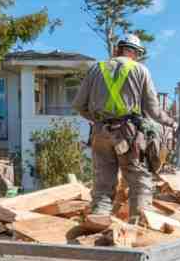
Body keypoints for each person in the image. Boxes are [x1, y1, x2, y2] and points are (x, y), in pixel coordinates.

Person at [72, 33, 174, 219]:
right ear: (136, 53)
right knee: (139, 181)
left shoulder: (96, 68)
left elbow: (79, 105)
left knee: (103, 184)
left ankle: (98, 222)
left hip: (101, 134)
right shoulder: (140, 70)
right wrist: (171, 123)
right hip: (128, 134)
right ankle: (139, 224)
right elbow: (153, 110)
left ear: (116, 49)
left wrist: (97, 120)